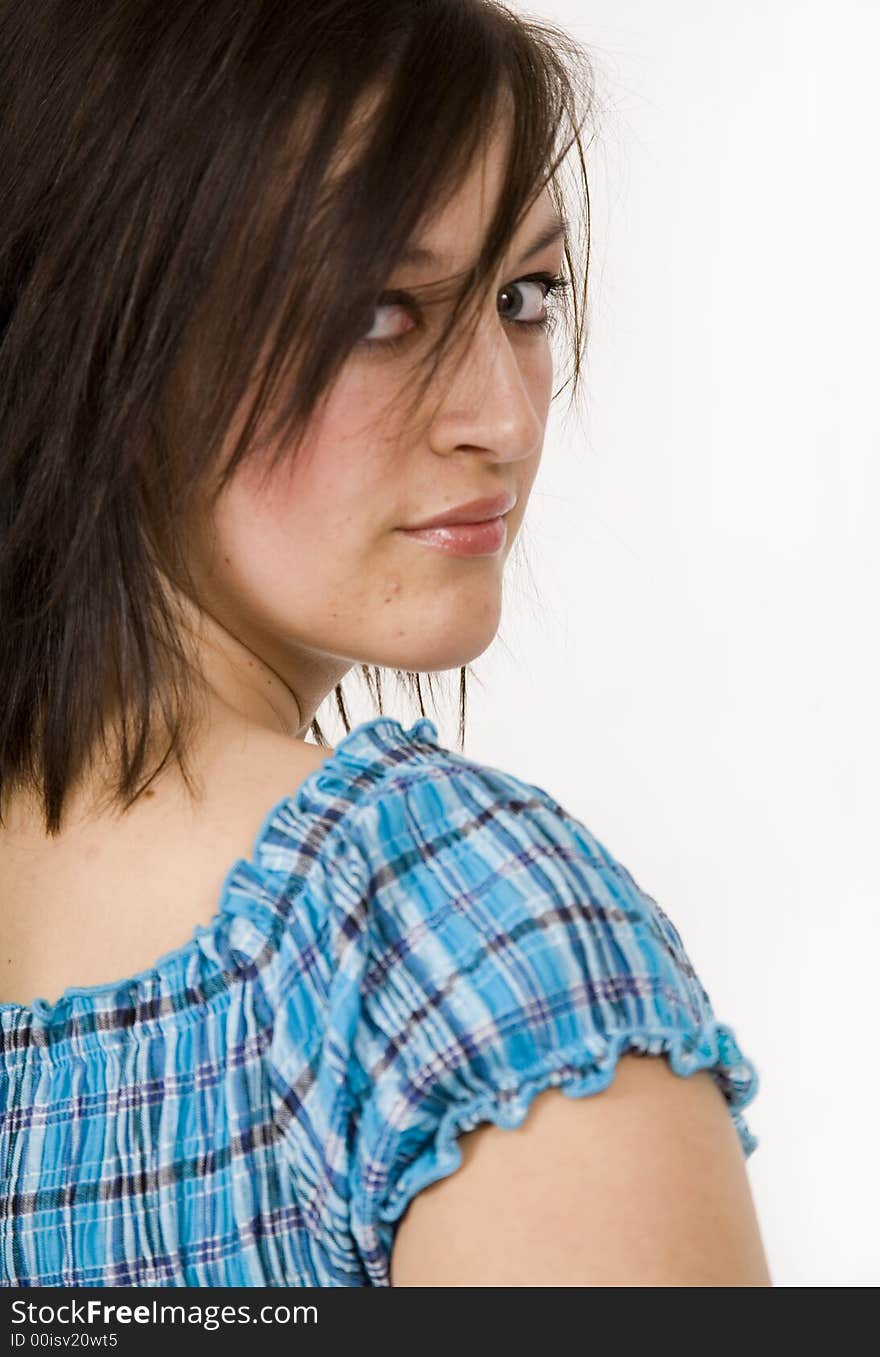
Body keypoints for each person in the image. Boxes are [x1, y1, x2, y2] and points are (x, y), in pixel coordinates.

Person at [0, 0, 770, 1287]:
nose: (505, 420)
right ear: (95, 336)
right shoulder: (451, 935)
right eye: (376, 313)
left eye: (525, 295)